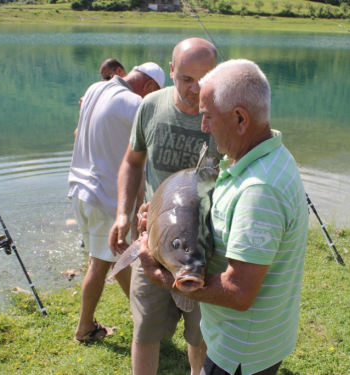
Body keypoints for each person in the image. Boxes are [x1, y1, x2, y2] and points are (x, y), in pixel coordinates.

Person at [138, 59, 309, 375]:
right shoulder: (268, 156)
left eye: (207, 117)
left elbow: (238, 292)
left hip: (239, 353)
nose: (203, 126)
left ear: (240, 119)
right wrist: (165, 220)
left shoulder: (260, 190)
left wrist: (163, 276)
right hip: (258, 340)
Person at [109, 38, 219, 375]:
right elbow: (132, 162)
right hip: (152, 243)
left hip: (206, 249)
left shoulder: (225, 115)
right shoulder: (150, 106)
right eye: (187, 79)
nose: (197, 89)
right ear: (171, 72)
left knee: (200, 338)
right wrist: (123, 212)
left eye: (206, 78)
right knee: (145, 332)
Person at [68, 62, 165, 342]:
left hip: (79, 188)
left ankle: (142, 314)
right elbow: (147, 155)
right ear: (148, 87)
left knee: (117, 255)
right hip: (103, 195)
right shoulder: (135, 104)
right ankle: (85, 328)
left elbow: (77, 134)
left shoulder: (95, 88)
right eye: (154, 94)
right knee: (99, 263)